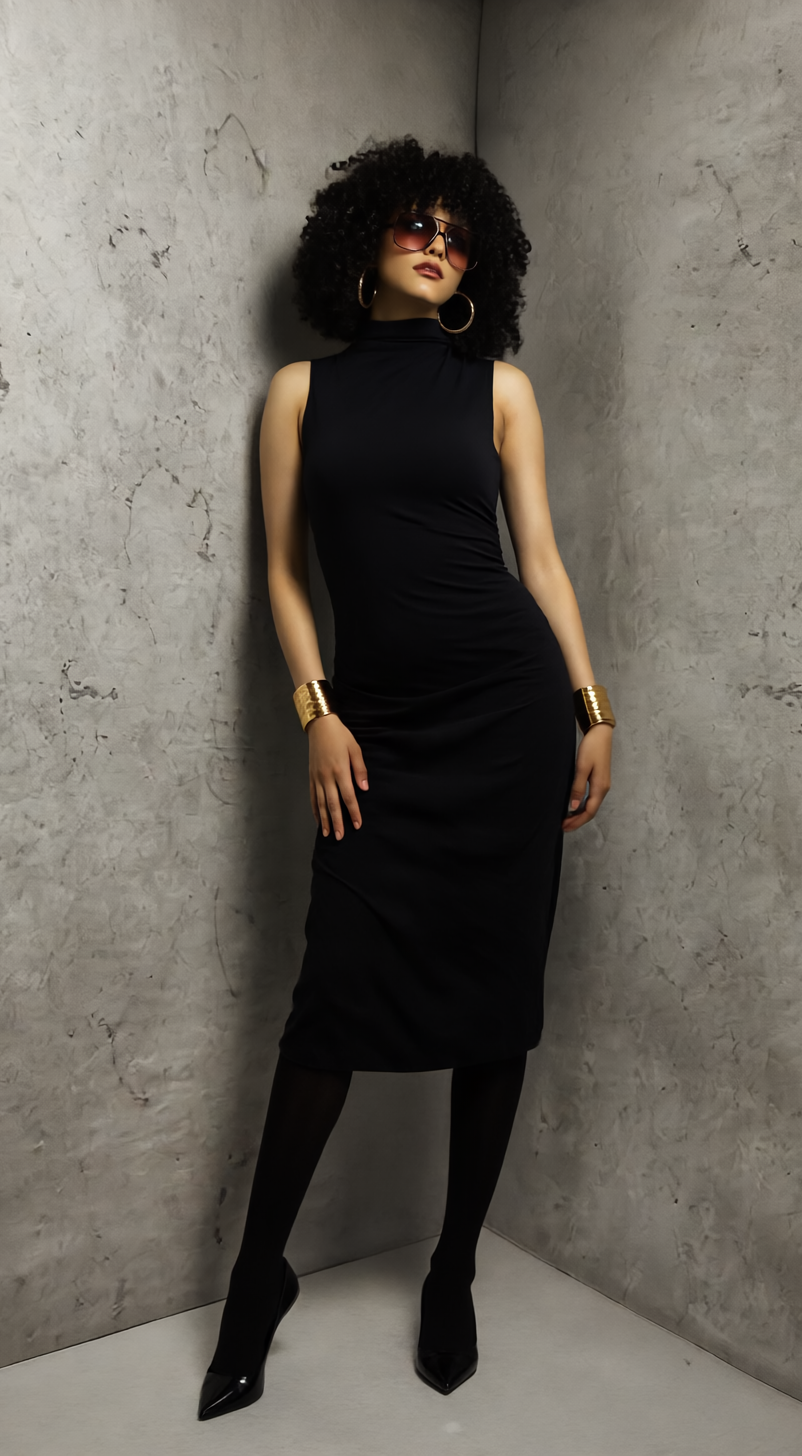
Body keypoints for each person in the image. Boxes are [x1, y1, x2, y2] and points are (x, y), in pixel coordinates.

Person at [198, 137, 614, 1421]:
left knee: (495, 998)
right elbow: (279, 573)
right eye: (411, 226)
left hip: (507, 715)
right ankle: (256, 1280)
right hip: (374, 726)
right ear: (360, 243)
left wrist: (589, 704)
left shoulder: (500, 390)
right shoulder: (297, 394)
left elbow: (535, 561)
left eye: (454, 232)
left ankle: (452, 1270)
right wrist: (315, 712)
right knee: (331, 1003)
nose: (436, 244)